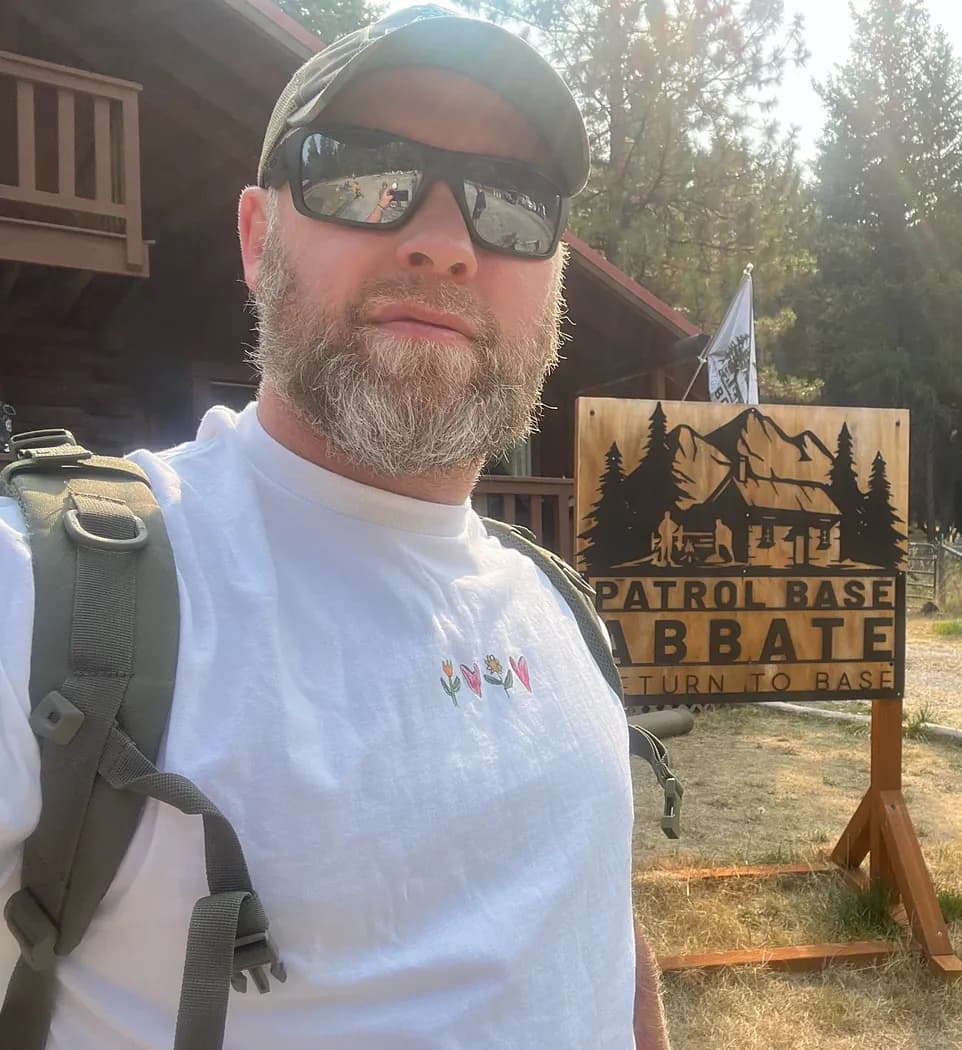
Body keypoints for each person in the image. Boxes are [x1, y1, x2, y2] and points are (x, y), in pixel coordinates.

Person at [0, 6, 667, 1049]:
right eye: (363, 174)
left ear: (553, 282)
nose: (445, 244)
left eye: (511, 203)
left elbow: (595, 939)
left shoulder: (557, 603)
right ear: (256, 236)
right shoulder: (44, 592)